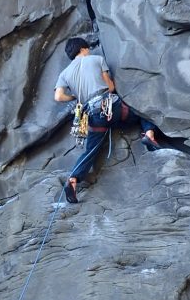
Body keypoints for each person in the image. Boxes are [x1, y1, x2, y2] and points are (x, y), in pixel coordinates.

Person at [54, 37, 161, 203]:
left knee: (91, 150)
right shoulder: (96, 59)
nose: (88, 50)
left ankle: (73, 180)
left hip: (92, 117)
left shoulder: (64, 73)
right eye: (87, 48)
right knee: (141, 112)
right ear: (83, 48)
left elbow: (58, 96)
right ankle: (149, 134)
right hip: (111, 107)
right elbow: (110, 87)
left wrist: (74, 96)